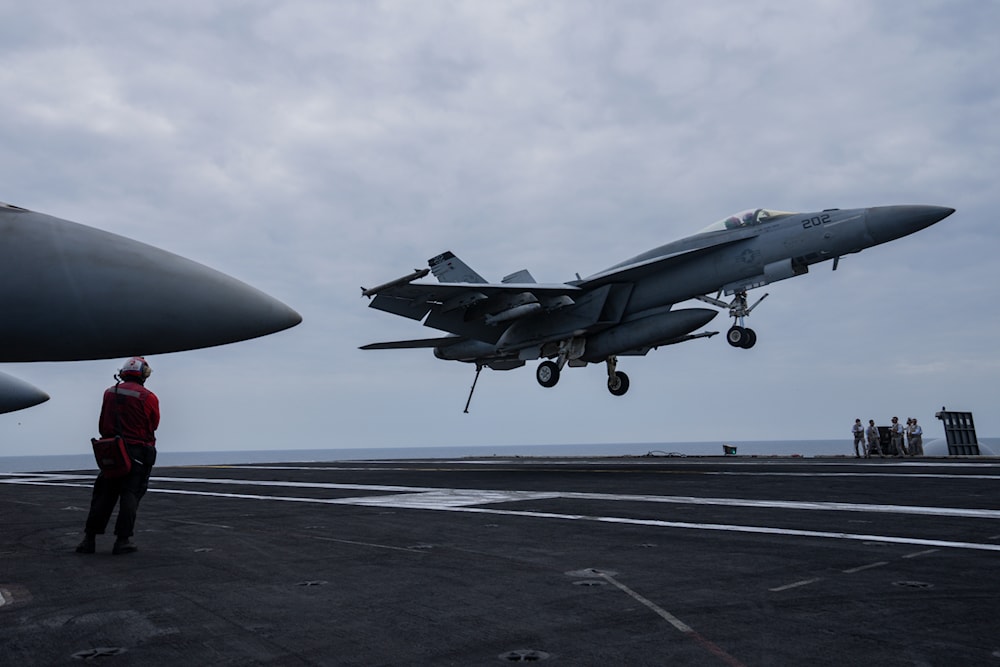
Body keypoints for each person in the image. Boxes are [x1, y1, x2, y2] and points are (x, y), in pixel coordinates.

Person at [76, 357, 160, 555]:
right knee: (130, 495)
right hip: (137, 452)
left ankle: (89, 540)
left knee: (103, 495)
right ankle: (122, 540)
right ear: (144, 374)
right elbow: (153, 424)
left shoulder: (109, 393)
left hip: (112, 449)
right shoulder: (148, 397)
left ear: (122, 373)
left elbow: (103, 421)